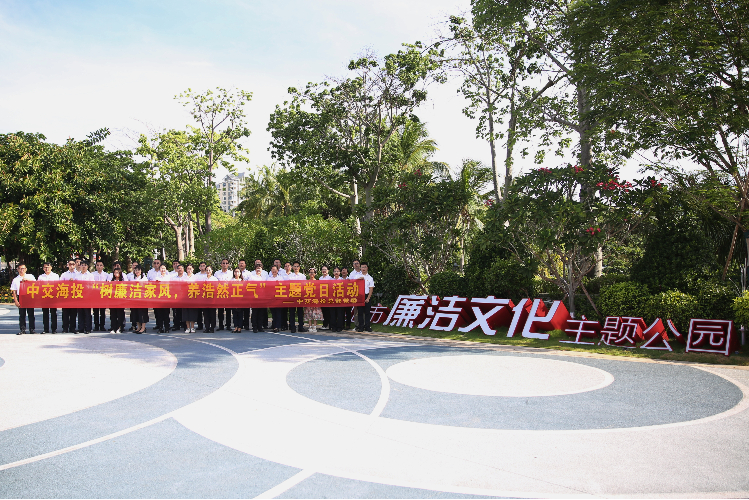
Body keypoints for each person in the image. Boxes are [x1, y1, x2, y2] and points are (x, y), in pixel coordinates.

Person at [11, 264, 36, 335]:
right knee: (22, 314)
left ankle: (32, 329)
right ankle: (22, 329)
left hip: (29, 297)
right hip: (21, 297)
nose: (22, 270)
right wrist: (16, 301)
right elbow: (14, 291)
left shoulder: (30, 276)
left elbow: (36, 284)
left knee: (31, 314)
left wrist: (28, 280)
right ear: (17, 270)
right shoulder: (15, 279)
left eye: (23, 268)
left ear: (26, 269)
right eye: (20, 268)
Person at [38, 262, 59, 334]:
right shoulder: (41, 277)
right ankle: (46, 329)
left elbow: (57, 286)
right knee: (45, 313)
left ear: (51, 268)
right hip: (44, 297)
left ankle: (54, 329)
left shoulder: (55, 276)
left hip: (53, 297)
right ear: (43, 268)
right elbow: (38, 286)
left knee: (53, 313)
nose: (47, 269)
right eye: (45, 267)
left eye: (48, 267)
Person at [286, 261, 307, 333]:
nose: (296, 268)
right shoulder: (289, 276)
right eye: (294, 266)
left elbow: (305, 286)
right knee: (292, 312)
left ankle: (301, 326)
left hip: (300, 296)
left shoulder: (302, 276)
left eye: (297, 266)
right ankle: (292, 327)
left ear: (299, 267)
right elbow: (287, 286)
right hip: (292, 296)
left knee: (300, 312)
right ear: (292, 267)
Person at [75, 261, 95, 334]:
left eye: (85, 265)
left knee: (87, 313)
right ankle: (81, 328)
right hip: (79, 296)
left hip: (87, 296)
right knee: (80, 313)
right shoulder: (77, 275)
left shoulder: (90, 275)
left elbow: (92, 285)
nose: (83, 267)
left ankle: (88, 328)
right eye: (82, 265)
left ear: (87, 266)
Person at [128, 265, 149, 333]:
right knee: (135, 312)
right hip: (134, 298)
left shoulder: (144, 278)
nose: (137, 272)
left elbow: (146, 287)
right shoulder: (132, 278)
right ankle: (138, 327)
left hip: (142, 298)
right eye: (136, 270)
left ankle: (143, 327)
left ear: (141, 271)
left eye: (138, 270)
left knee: (142, 313)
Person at [60, 260, 79, 333]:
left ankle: (73, 328)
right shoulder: (64, 274)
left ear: (75, 265)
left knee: (73, 313)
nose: (71, 265)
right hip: (66, 295)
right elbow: (60, 283)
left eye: (73, 264)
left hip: (75, 295)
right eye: (70, 264)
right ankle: (65, 328)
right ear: (67, 265)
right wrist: (68, 282)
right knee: (65, 313)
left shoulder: (78, 274)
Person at [356, 263, 375, 332]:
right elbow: (352, 284)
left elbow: (371, 289)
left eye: (365, 267)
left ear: (367, 268)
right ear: (360, 268)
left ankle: (367, 326)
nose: (363, 268)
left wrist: (368, 298)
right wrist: (358, 279)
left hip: (366, 295)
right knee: (360, 312)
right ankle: (361, 327)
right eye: (362, 267)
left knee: (367, 312)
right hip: (359, 296)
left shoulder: (370, 278)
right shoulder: (357, 276)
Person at [214, 259, 232, 331]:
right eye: (223, 263)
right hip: (220, 294)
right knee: (220, 311)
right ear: (221, 264)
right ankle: (221, 325)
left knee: (228, 311)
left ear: (228, 264)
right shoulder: (217, 273)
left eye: (226, 263)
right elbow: (214, 283)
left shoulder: (231, 273)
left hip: (228, 293)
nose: (225, 264)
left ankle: (228, 325)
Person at [247, 263, 266, 332]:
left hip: (262, 297)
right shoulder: (252, 277)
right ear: (255, 269)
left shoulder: (264, 278)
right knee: (255, 313)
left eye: (259, 268)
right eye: (257, 268)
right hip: (254, 297)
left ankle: (260, 326)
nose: (258, 270)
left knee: (261, 313)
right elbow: (249, 286)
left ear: (262, 269)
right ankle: (254, 327)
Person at [304, 267, 323, 332]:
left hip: (315, 299)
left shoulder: (318, 282)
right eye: (310, 272)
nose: (311, 274)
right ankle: (310, 326)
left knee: (315, 313)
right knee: (309, 313)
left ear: (315, 274)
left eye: (313, 272)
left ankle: (314, 326)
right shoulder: (306, 282)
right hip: (308, 299)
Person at [266, 265, 285, 332]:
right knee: (273, 313)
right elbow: (267, 288)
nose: (274, 271)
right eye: (273, 270)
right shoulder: (269, 279)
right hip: (271, 298)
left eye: (275, 270)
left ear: (277, 270)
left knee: (278, 312)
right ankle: (274, 325)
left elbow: (283, 287)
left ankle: (277, 326)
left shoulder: (281, 278)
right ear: (271, 271)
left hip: (278, 297)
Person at [92, 260, 110, 331]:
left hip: (103, 295)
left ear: (103, 266)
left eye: (100, 265)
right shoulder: (92, 274)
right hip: (95, 295)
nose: (99, 267)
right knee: (95, 311)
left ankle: (102, 326)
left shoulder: (106, 275)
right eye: (97, 265)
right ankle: (96, 326)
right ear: (96, 266)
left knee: (102, 311)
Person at [153, 264, 171, 333]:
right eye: (161, 268)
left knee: (166, 314)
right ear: (159, 269)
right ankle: (160, 327)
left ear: (166, 269)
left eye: (164, 268)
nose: (163, 270)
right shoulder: (157, 277)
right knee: (159, 314)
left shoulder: (169, 277)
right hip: (159, 298)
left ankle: (167, 327)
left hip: (166, 297)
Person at [170, 264, 187, 331]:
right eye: (178, 268)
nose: (180, 270)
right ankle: (176, 325)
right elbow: (171, 287)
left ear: (183, 269)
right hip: (176, 297)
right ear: (176, 270)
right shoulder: (173, 278)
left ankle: (185, 325)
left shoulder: (186, 278)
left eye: (181, 268)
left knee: (184, 312)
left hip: (184, 297)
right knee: (176, 312)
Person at [182, 264, 199, 333]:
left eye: (190, 269)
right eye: (188, 269)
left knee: (193, 312)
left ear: (193, 269)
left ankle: (192, 327)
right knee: (186, 313)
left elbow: (198, 286)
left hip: (193, 297)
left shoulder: (196, 277)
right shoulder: (183, 278)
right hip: (184, 297)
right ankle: (187, 327)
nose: (189, 270)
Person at [109, 268, 126, 334]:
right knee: (113, 315)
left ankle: (119, 328)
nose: (116, 274)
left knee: (120, 314)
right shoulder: (111, 281)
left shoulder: (122, 281)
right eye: (115, 272)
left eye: (117, 272)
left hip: (120, 300)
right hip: (113, 300)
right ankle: (113, 328)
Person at [202, 266, 218, 333]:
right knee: (205, 314)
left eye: (209, 270)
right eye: (207, 270)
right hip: (205, 298)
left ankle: (212, 327)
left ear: (212, 271)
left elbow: (217, 288)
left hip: (212, 298)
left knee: (212, 313)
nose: (208, 271)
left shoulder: (214, 279)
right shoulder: (203, 279)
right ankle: (207, 327)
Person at [329, 267, 345, 332]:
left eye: (337, 271)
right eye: (335, 271)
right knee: (333, 314)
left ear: (340, 272)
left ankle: (339, 327)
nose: (336, 272)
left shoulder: (343, 280)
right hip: (332, 299)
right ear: (333, 273)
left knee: (340, 313)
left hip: (340, 299)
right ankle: (333, 326)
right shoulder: (330, 280)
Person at [318, 265, 333, 330]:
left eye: (325, 269)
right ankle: (325, 325)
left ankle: (329, 325)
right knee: (324, 311)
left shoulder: (330, 278)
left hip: (328, 297)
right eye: (323, 269)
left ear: (328, 270)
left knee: (328, 311)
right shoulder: (320, 278)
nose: (324, 271)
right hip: (322, 297)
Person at [349, 259, 363, 329]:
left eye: (357, 263)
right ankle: (357, 325)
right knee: (356, 310)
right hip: (355, 294)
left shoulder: (363, 271)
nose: (356, 265)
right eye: (354, 264)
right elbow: (349, 283)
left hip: (363, 293)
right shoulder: (352, 274)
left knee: (363, 310)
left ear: (359, 264)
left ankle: (363, 325)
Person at [238, 260, 251, 328]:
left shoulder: (249, 273)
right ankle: (239, 324)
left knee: (246, 310)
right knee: (239, 310)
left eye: (242, 263)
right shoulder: (236, 272)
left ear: (245, 265)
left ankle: (246, 324)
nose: (241, 265)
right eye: (240, 263)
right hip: (238, 294)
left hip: (246, 294)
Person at [230, 268, 244, 333]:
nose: (236, 273)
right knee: (234, 314)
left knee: (240, 314)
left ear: (240, 273)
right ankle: (235, 327)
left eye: (238, 272)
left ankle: (240, 327)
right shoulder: (231, 280)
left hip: (241, 300)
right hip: (233, 299)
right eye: (235, 272)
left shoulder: (242, 281)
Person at [195, 262, 208, 330]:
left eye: (204, 266)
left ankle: (207, 325)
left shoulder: (208, 274)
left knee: (206, 311)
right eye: (201, 266)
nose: (202, 267)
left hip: (207, 296)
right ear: (199, 267)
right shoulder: (196, 275)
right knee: (199, 312)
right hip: (199, 295)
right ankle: (200, 325)